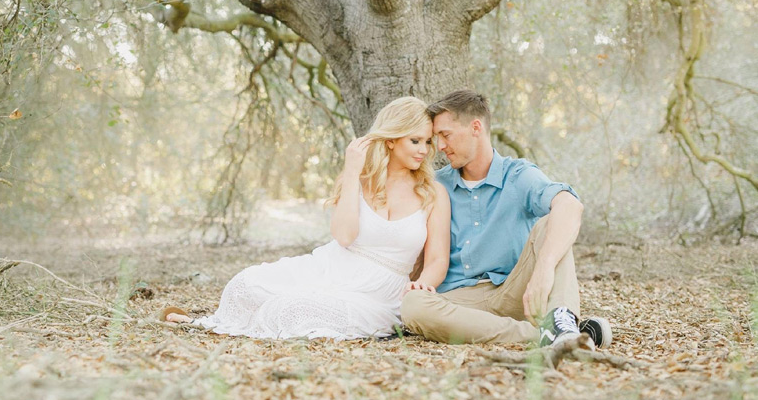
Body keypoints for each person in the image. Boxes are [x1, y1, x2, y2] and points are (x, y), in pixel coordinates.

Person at [163, 97, 451, 340]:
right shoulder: (360, 180)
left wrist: (422, 285)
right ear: (390, 140)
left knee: (288, 310)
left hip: (381, 292)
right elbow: (344, 237)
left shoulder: (433, 193)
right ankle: (209, 324)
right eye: (415, 141)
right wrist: (351, 171)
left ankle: (216, 326)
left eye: (427, 142)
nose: (424, 150)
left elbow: (437, 258)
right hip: (331, 266)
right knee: (244, 284)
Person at [400, 90, 611, 349]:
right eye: (437, 138)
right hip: (458, 302)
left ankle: (560, 318)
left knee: (551, 222)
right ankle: (545, 334)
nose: (440, 146)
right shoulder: (437, 184)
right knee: (413, 305)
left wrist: (543, 268)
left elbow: (570, 205)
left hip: (516, 293)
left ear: (476, 127)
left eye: (446, 135)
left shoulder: (518, 175)